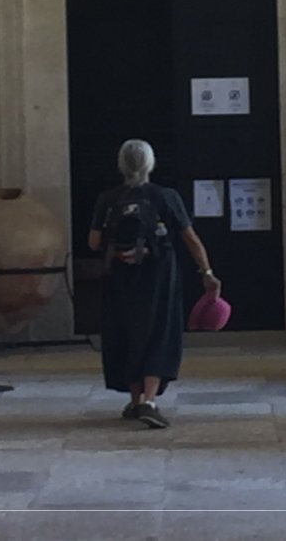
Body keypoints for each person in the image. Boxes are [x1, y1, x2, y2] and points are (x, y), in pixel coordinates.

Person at [88, 139, 221, 429]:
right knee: (159, 332)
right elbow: (191, 239)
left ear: (121, 165)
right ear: (150, 164)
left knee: (126, 332)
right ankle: (149, 401)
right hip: (158, 277)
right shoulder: (166, 196)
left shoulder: (108, 199)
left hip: (120, 278)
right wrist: (206, 271)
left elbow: (94, 241)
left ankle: (136, 401)